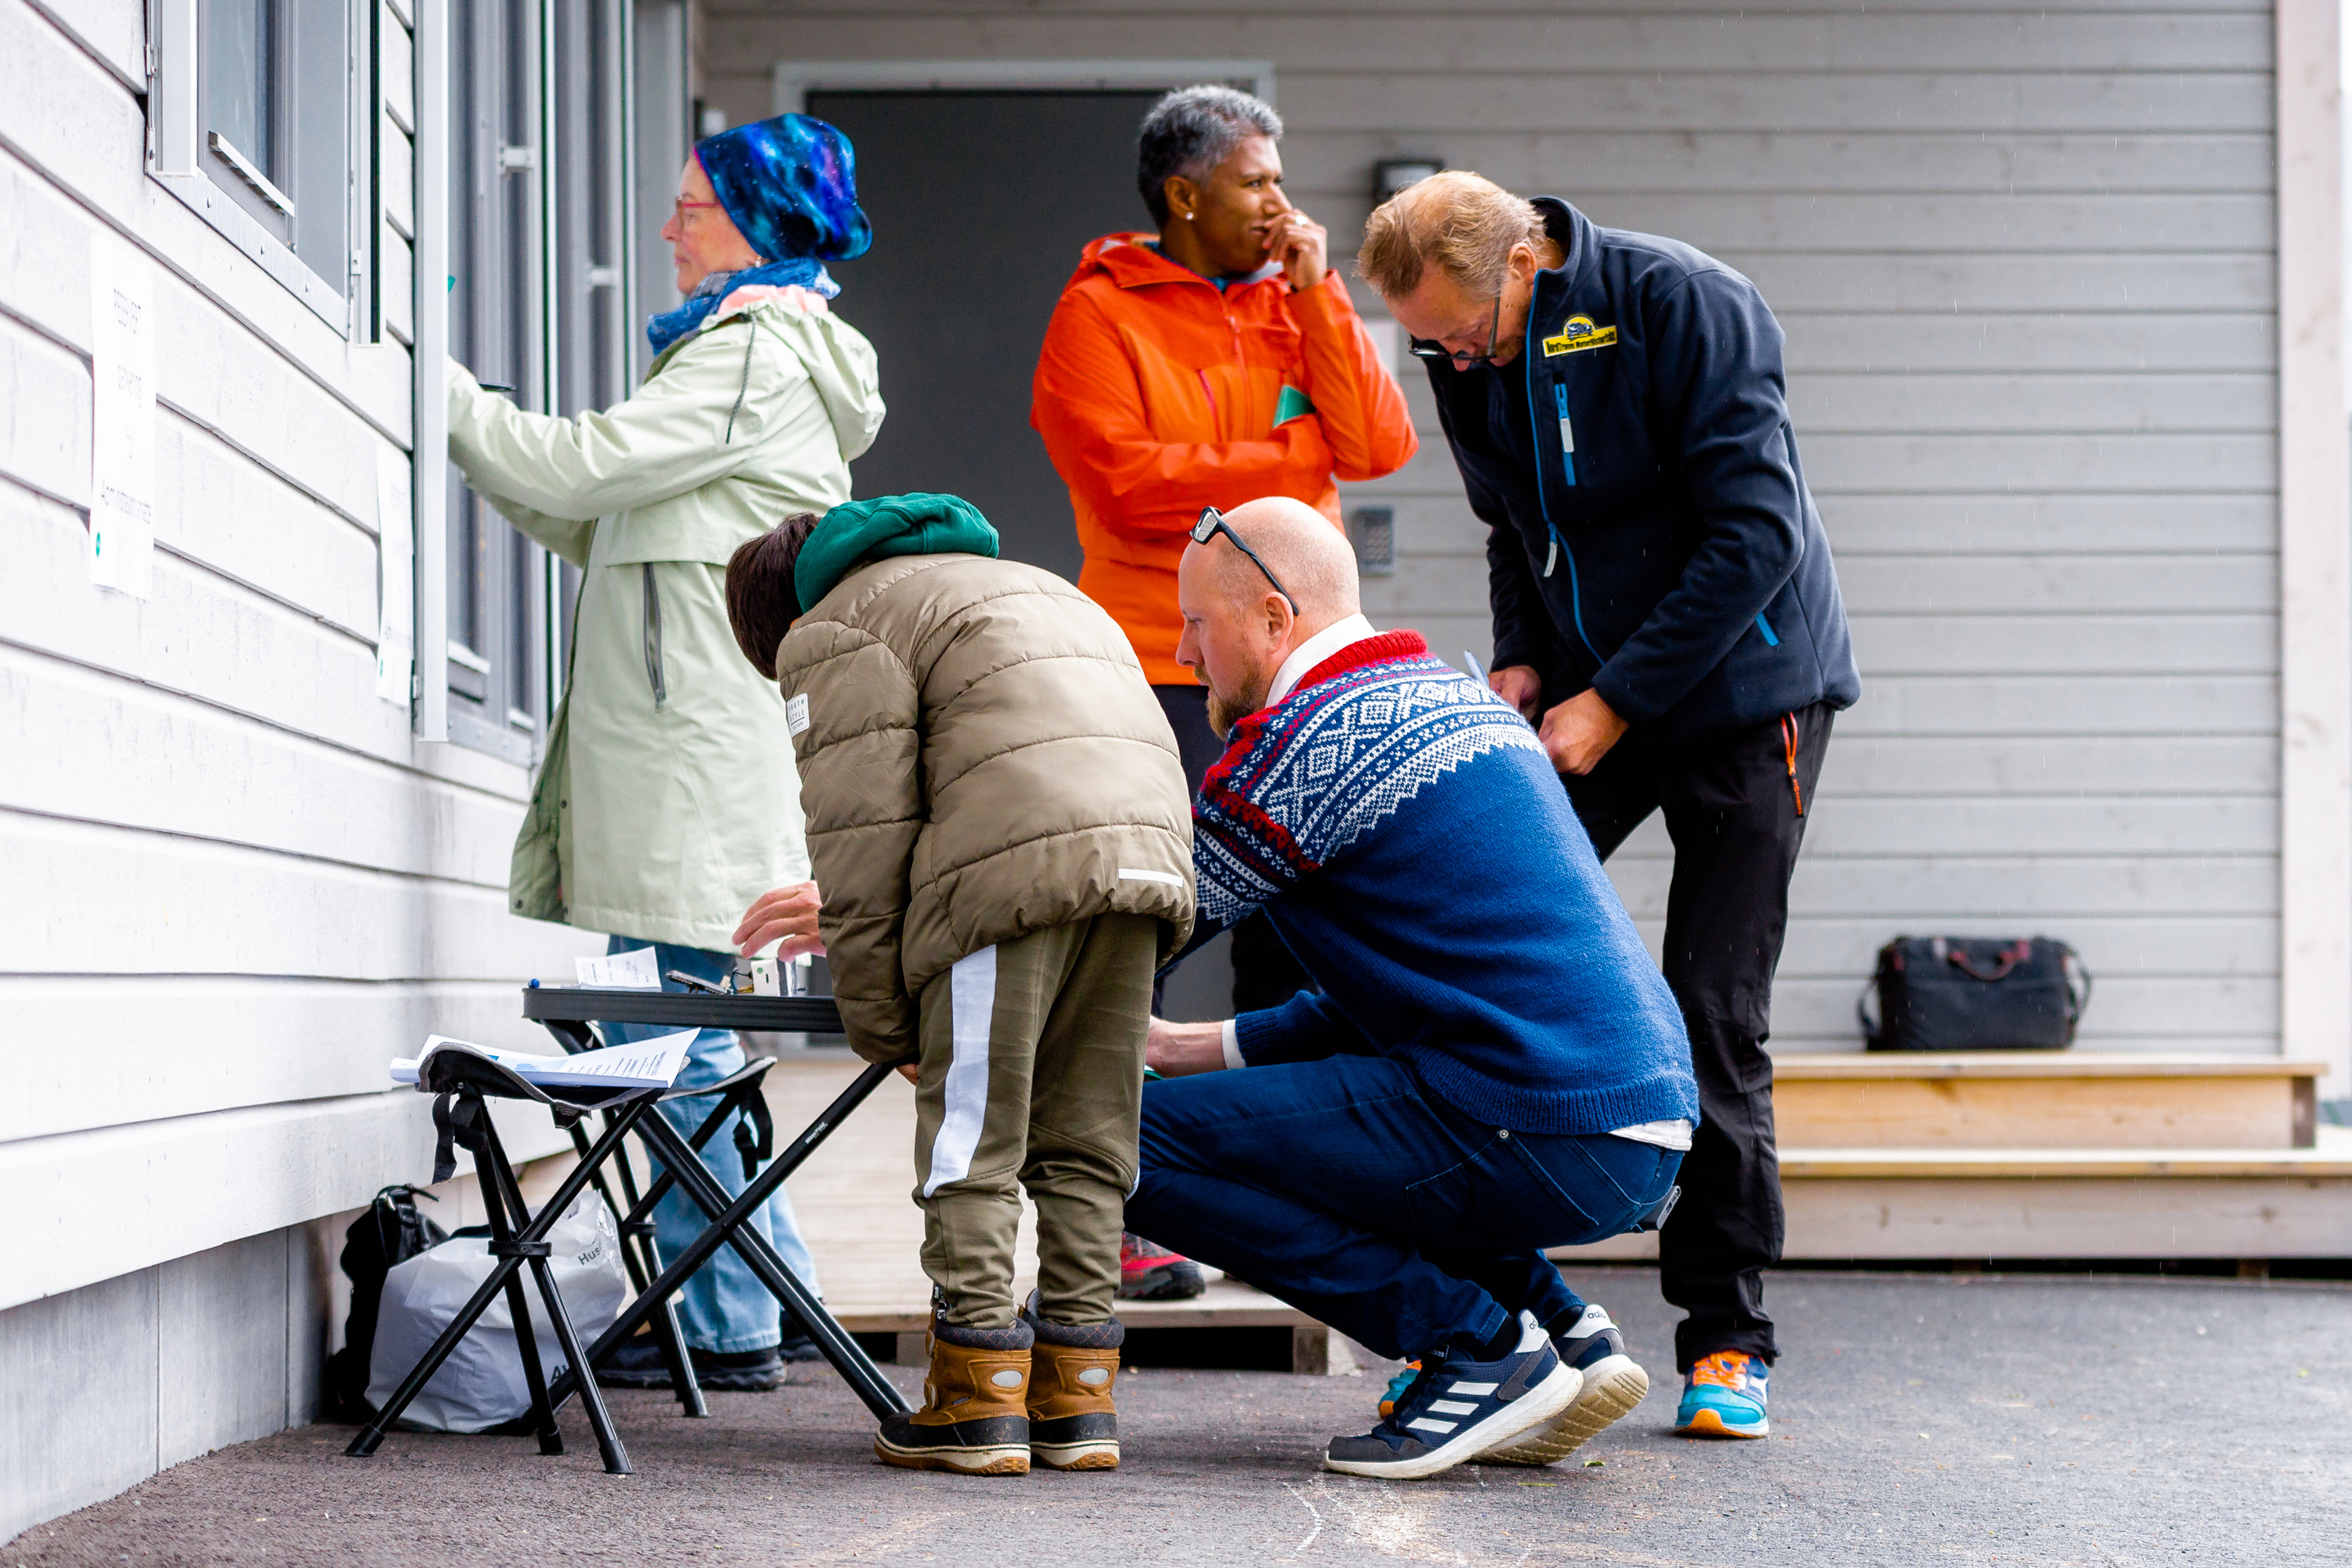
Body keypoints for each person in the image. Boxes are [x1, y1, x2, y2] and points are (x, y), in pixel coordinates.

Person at [1356, 172, 1862, 1439]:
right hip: (1592, 693)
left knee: (1709, 1007)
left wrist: (1614, 702)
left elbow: (1757, 535)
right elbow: (1509, 525)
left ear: (1525, 264)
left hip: (1748, 691)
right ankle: (1496, 1320)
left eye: (1464, 335)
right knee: (1470, 953)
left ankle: (1727, 1340)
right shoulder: (1461, 340)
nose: (1453, 359)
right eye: (1430, 344)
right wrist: (1525, 657)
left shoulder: (1684, 302)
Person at [443, 112, 884, 1392]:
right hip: (688, 756)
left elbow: (587, 471)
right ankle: (767, 1296)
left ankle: (731, 1322)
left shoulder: (752, 353)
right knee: (690, 1037)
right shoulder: (749, 352)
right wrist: (483, 442)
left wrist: (439, 391)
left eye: (689, 208)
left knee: (676, 1039)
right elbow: (597, 519)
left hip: (689, 765)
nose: (666, 230)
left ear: (749, 223)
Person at [1128, 497, 1698, 1481]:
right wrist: (1192, 1046)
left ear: (1274, 617)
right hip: (1631, 1124)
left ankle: (1475, 1348)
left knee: (1114, 1141)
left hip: (1540, 1120)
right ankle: (1562, 1333)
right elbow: (1421, 991)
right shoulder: (1454, 699)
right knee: (1352, 1124)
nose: (1183, 653)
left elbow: (1133, 925)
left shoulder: (1302, 739)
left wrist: (954, 995)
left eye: (1195, 623)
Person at [1031, 83, 1419, 1303]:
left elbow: (1380, 445)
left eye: (1280, 179)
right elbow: (1127, 484)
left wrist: (1323, 295)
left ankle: (1287, 1201)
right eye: (1258, 181)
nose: (1279, 202)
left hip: (1299, 667)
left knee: (1298, 932)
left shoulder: (1297, 298)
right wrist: (1290, 466)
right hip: (1156, 662)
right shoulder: (1098, 312)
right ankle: (1116, 1213)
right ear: (1185, 194)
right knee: (1137, 926)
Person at [724, 492, 1195, 1477]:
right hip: (1145, 873)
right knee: (1089, 1140)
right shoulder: (1030, 586)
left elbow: (862, 846)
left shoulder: (836, 627)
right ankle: (1079, 1401)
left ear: (778, 622)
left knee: (969, 1142)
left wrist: (890, 1031)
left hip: (1004, 885)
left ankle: (975, 1401)